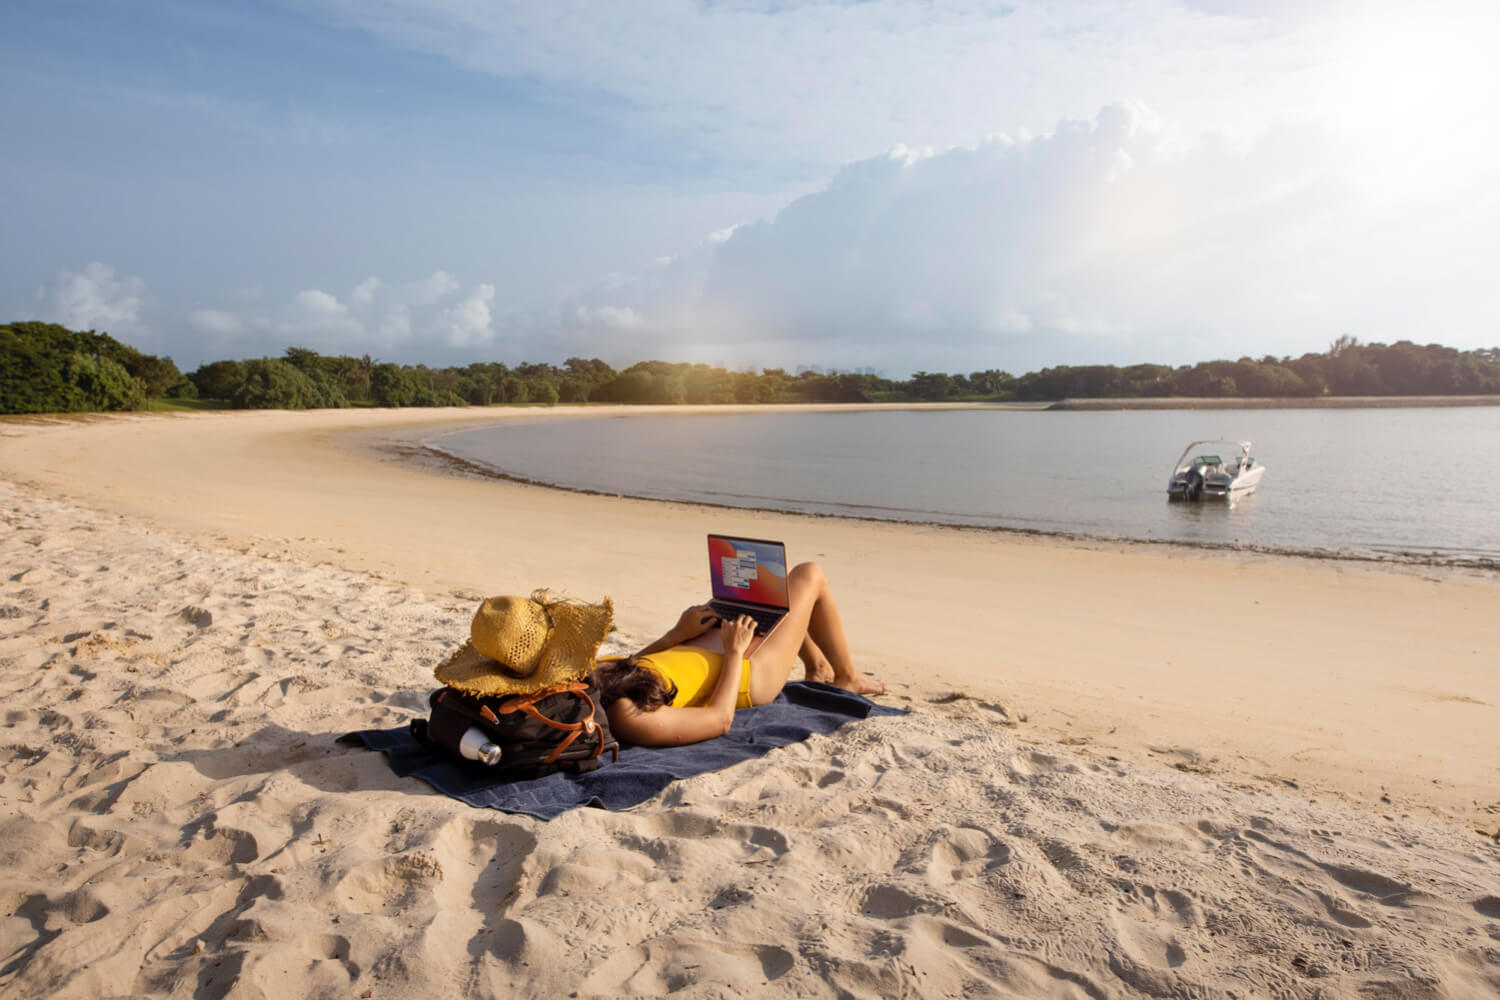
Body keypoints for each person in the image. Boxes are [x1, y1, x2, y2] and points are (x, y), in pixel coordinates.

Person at [592, 561, 885, 747]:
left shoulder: (585, 676)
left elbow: (631, 668)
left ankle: (817, 667)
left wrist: (676, 633)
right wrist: (735, 652)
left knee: (768, 590)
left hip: (692, 647)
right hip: (746, 675)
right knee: (809, 574)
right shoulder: (628, 717)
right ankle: (847, 677)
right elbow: (719, 720)